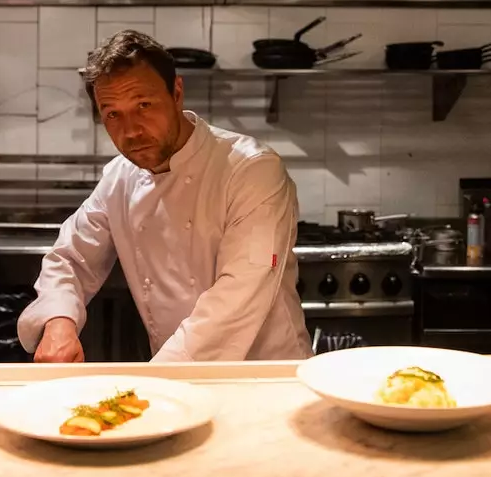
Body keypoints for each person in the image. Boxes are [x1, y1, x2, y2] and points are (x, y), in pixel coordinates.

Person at [18, 30, 310, 362]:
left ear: (177, 93)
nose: (131, 130)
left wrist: (153, 381)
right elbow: (71, 258)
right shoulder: (120, 178)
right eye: (113, 114)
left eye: (143, 105)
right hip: (174, 376)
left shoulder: (251, 169)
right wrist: (59, 322)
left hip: (263, 378)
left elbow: (238, 298)